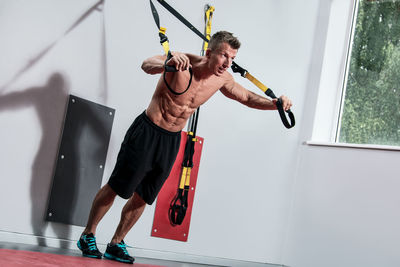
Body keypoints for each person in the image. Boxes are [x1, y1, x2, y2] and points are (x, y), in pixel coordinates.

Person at [77, 31, 292, 264]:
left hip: (172, 140)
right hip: (147, 130)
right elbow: (146, 65)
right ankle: (88, 234)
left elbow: (248, 98)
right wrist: (167, 63)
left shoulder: (223, 79)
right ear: (209, 53)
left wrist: (276, 106)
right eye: (223, 56)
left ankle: (116, 243)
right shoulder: (183, 61)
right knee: (118, 186)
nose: (228, 63)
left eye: (232, 58)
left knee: (144, 196)